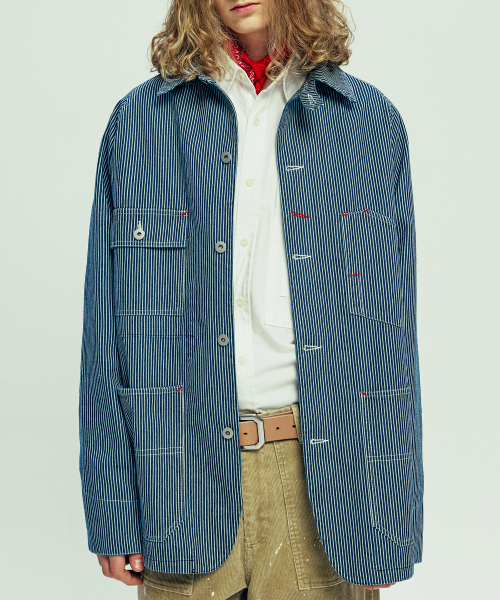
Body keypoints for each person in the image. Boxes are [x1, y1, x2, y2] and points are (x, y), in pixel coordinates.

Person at [79, 0, 423, 598]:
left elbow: (395, 338)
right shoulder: (139, 123)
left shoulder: (370, 124)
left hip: (328, 482)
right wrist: (111, 507)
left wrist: (392, 517)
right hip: (177, 477)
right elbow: (102, 329)